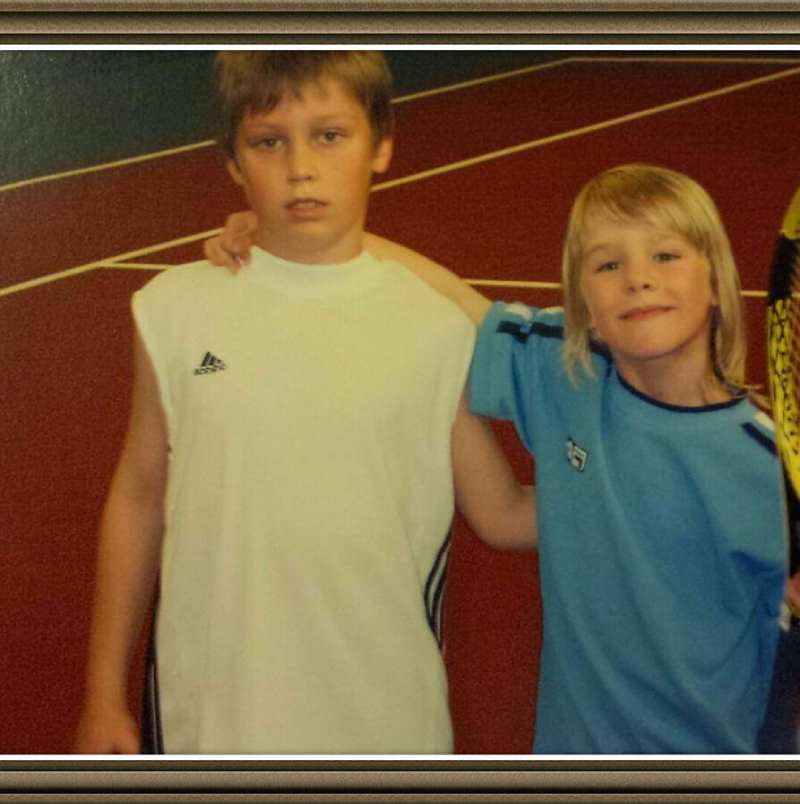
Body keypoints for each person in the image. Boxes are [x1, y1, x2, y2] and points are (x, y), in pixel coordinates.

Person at [206, 163, 788, 753]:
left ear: (716, 282)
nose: (638, 279)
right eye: (608, 264)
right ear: (583, 303)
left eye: (666, 256)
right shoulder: (568, 371)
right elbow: (451, 299)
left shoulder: (766, 467)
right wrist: (296, 235)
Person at [75, 51, 535, 755]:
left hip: (384, 719)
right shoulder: (172, 310)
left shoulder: (438, 332)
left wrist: (656, 484)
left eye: (329, 135)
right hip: (211, 715)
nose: (300, 167)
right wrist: (102, 695)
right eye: (268, 142)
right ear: (232, 161)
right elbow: (138, 495)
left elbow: (503, 515)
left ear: (381, 145)